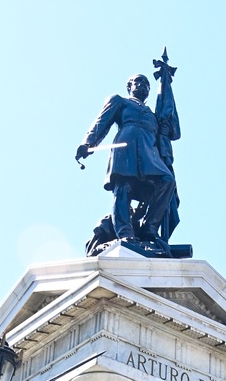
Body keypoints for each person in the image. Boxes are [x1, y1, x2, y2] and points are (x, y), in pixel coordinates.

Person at [76, 70, 178, 248]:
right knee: (124, 188)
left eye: (146, 84)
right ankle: (125, 233)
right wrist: (88, 142)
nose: (142, 85)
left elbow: (173, 133)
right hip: (126, 147)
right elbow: (102, 121)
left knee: (167, 181)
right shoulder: (120, 101)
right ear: (129, 86)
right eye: (138, 81)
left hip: (149, 152)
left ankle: (149, 228)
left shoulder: (154, 115)